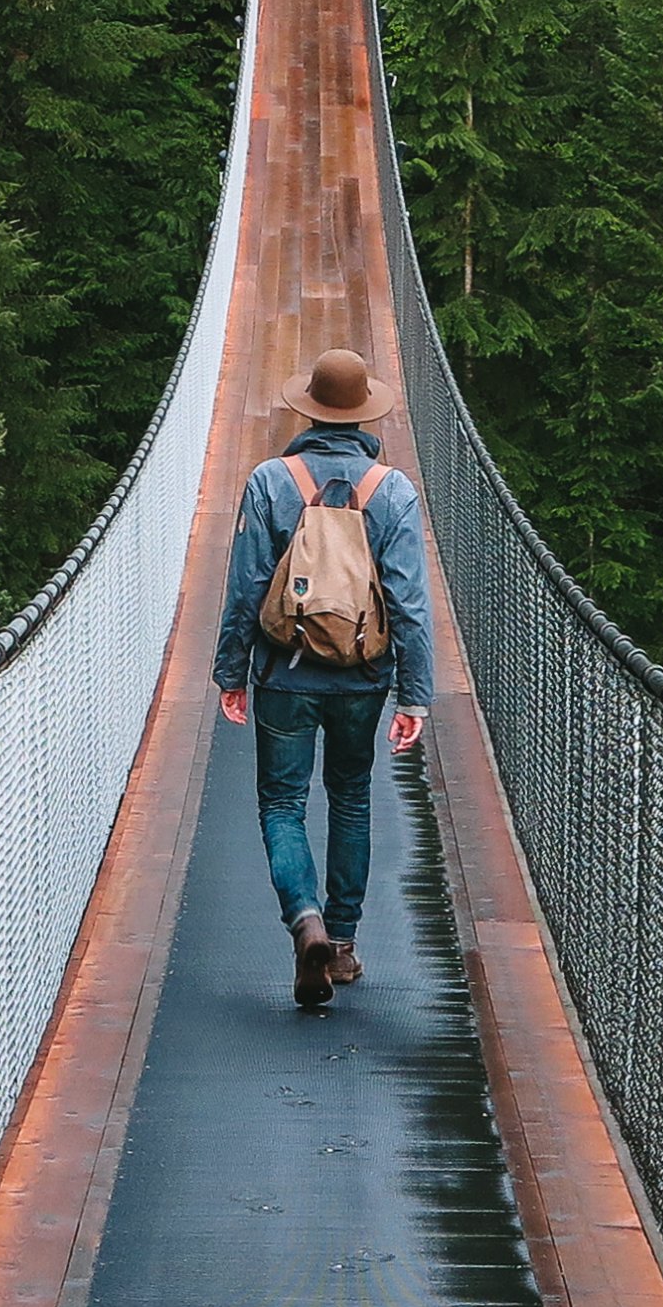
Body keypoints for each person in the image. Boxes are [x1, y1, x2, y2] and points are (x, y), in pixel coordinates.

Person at [212, 348, 436, 1009]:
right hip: (362, 678)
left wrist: (232, 671)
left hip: (285, 670)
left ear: (308, 406)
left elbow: (248, 585)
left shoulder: (269, 481)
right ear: (365, 412)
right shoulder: (392, 491)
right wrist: (415, 693)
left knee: (282, 803)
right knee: (351, 797)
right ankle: (340, 943)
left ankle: (303, 919)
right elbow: (410, 604)